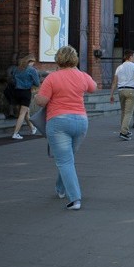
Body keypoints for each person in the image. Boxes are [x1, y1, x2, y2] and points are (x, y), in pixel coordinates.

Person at [34, 45, 96, 210]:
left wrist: (36, 96)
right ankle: (60, 189)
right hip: (81, 121)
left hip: (59, 121)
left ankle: (75, 199)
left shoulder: (52, 78)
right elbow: (93, 88)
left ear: (58, 59)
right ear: (74, 59)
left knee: (65, 161)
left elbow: (42, 102)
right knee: (68, 159)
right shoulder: (82, 75)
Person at [109, 50, 134, 141]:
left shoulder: (119, 67)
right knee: (128, 112)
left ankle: (124, 129)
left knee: (124, 111)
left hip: (121, 90)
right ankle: (124, 132)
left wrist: (111, 94)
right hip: (131, 90)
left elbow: (114, 82)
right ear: (131, 56)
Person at [10, 54, 41, 139]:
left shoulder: (17, 69)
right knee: (22, 113)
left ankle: (32, 128)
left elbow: (13, 79)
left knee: (26, 111)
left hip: (16, 91)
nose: (33, 64)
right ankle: (15, 133)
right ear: (30, 62)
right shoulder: (32, 70)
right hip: (26, 92)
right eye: (33, 62)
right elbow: (37, 83)